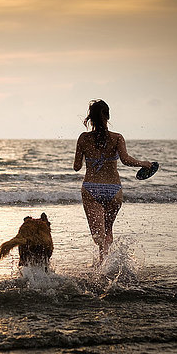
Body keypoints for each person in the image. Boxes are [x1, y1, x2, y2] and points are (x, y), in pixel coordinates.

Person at [73, 99, 152, 262]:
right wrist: (144, 163)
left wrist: (89, 156)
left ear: (90, 118)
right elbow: (126, 160)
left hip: (91, 189)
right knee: (108, 231)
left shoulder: (83, 138)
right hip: (113, 190)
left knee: (98, 236)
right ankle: (106, 265)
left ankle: (101, 267)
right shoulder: (117, 138)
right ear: (108, 116)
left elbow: (76, 167)